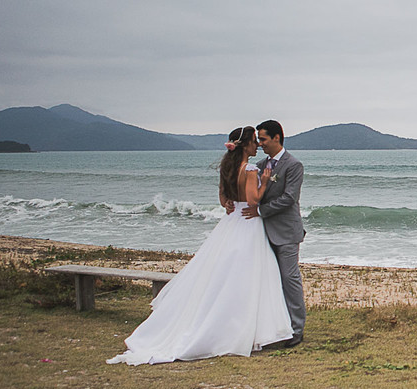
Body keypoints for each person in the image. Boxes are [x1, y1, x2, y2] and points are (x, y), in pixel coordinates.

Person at [107, 126, 293, 365]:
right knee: (246, 275)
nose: (257, 145)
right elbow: (252, 200)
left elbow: (223, 199)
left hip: (231, 221)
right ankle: (244, 328)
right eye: (254, 141)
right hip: (247, 222)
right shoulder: (248, 169)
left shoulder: (227, 168)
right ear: (245, 144)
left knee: (223, 273)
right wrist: (264, 182)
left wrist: (230, 203)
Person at [241, 119, 306, 348]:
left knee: (290, 279)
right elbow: (252, 191)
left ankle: (297, 329)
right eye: (258, 140)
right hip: (263, 233)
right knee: (269, 281)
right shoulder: (259, 165)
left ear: (277, 138)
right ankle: (276, 328)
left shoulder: (293, 165)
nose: (260, 144)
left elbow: (289, 198)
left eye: (264, 139)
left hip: (287, 232)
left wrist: (260, 210)